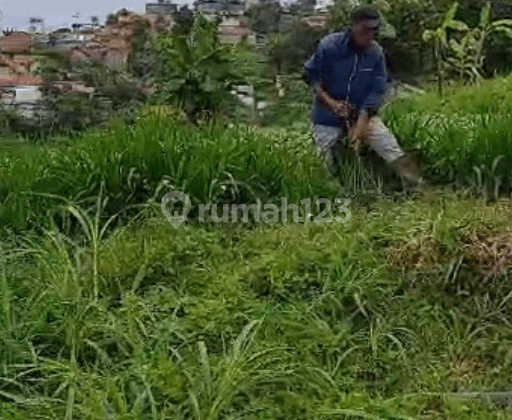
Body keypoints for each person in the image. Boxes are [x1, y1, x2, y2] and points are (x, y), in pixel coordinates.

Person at [303, 6, 421, 184]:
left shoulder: (376, 53)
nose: (369, 35)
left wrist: (360, 125)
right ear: (354, 26)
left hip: (361, 113)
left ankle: (417, 185)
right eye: (365, 29)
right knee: (322, 160)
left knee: (389, 147)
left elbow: (377, 89)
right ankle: (329, 194)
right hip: (327, 115)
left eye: (374, 30)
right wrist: (333, 104)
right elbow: (310, 76)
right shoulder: (329, 45)